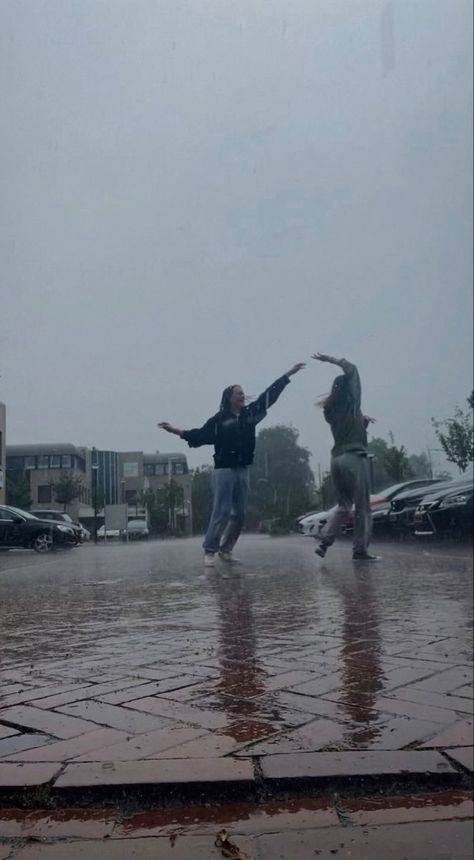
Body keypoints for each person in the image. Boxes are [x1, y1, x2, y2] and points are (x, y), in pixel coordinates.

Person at [159, 363, 305, 566]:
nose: (242, 396)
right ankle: (210, 550)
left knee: (240, 512)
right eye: (238, 393)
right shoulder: (219, 420)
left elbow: (268, 397)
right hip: (224, 469)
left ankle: (226, 550)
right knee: (222, 509)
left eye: (243, 393)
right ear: (229, 397)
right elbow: (199, 435)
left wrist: (288, 375)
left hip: (243, 468)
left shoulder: (249, 414)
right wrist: (175, 430)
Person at [312, 352, 380, 562]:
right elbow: (353, 369)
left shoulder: (331, 411)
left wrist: (362, 420)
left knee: (343, 506)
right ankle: (360, 551)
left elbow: (349, 425)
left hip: (336, 461)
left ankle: (324, 542)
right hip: (353, 458)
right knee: (363, 508)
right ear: (350, 390)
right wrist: (332, 360)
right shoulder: (352, 402)